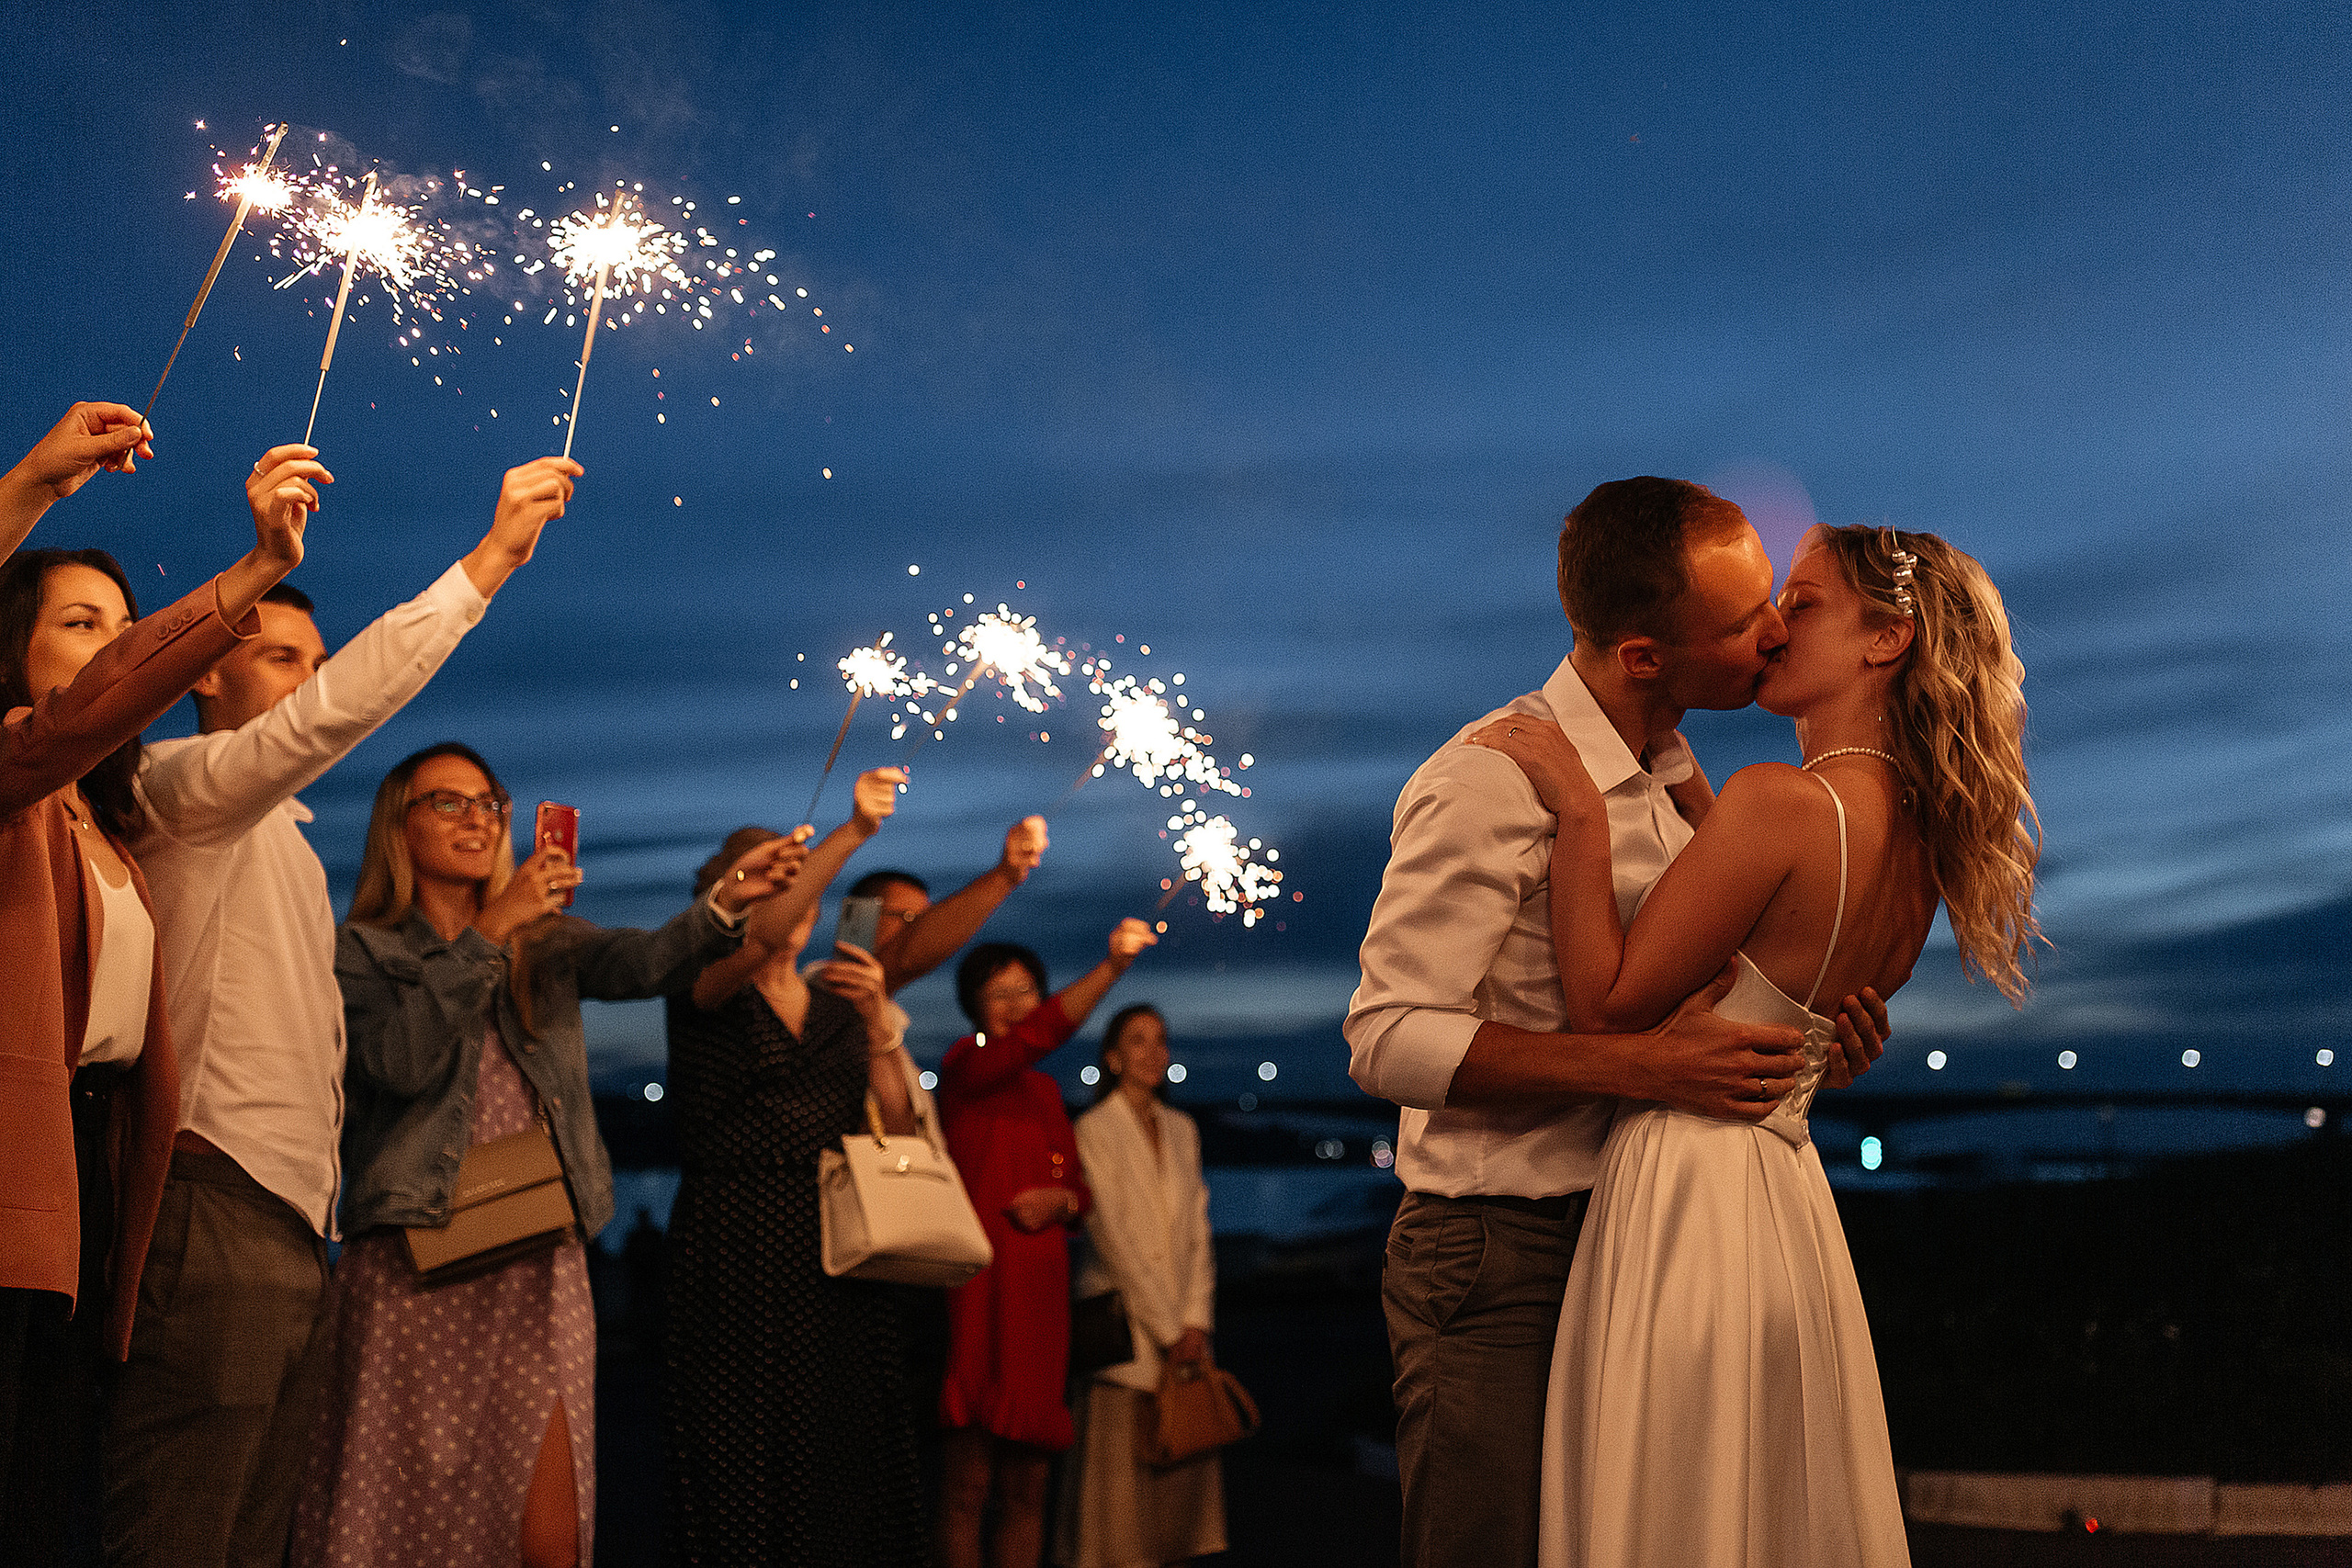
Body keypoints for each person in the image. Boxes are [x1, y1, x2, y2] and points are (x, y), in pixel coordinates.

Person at [1343, 477, 1893, 1568]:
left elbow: (1690, 1011)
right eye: (1742, 624)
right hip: (1497, 1250)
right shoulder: (1493, 777)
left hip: (1635, 1233)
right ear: (1645, 655)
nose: (1775, 631)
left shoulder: (1688, 783)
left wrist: (1797, 1032)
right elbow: (1388, 1038)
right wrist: (1645, 1070)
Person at [1478, 524, 2037, 1568]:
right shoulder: (1920, 848)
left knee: (1674, 1495)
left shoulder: (1778, 805)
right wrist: (1688, 784)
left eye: (1807, 602)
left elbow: (1603, 1002)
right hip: (1784, 1193)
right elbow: (1779, 977)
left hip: (1687, 1181)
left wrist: (1579, 815)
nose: (1776, 625)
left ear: (1886, 641)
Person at [105, 451, 582, 1568]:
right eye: (279, 659)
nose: (304, 682)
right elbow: (322, 723)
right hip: (204, 1193)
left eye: (314, 663)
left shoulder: (279, 835)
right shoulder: (180, 789)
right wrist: (491, 561)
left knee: (251, 1536)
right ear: (203, 678)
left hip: (287, 1220)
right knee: (176, 1529)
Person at [290, 742, 797, 1568]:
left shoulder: (546, 942)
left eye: (488, 802)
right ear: (398, 824)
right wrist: (489, 931)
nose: (476, 818)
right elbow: (398, 1063)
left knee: (547, 1539)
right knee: (399, 1527)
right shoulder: (362, 950)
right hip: (415, 1258)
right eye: (448, 802)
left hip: (538, 1260)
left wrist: (724, 904)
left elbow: (646, 963)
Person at [1, 415, 304, 1562]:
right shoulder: (12, 781)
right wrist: (31, 482)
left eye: (126, 631)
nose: (116, 651)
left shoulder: (109, 830)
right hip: (11, 1166)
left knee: (40, 1500)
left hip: (86, 1177)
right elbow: (71, 723)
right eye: (80, 626)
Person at [662, 767, 939, 1567]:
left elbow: (897, 1129)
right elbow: (743, 940)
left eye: (797, 880)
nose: (788, 896)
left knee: (848, 1463)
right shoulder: (699, 980)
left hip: (839, 1250)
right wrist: (850, 832)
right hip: (734, 1245)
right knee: (742, 1462)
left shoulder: (837, 1003)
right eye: (761, 879)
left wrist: (882, 1021)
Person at [936, 919, 1159, 1568]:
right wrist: (1111, 966)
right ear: (975, 1004)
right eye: (1000, 991)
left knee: (1026, 1489)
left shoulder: (1044, 1091)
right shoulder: (964, 1066)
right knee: (966, 1488)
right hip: (978, 1294)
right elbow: (1040, 1035)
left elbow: (1080, 1193)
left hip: (1038, 1301)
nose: (1016, 1003)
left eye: (1028, 989)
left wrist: (1059, 1201)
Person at [1056, 1004, 1226, 1568]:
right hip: (1123, 1329)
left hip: (1183, 1331)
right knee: (1115, 1507)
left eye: (1160, 1040)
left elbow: (1198, 1229)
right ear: (1112, 1057)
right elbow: (1114, 1240)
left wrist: (1196, 1319)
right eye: (1137, 1041)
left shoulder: (1182, 1130)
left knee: (1175, 1496)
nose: (1153, 1052)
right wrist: (1169, 1326)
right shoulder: (1093, 1130)